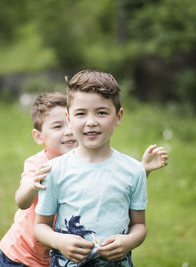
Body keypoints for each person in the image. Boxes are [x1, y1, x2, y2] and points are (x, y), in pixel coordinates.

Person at [0, 91, 168, 267]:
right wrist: (32, 185)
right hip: (24, 254)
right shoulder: (39, 164)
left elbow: (115, 189)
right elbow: (21, 202)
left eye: (69, 125)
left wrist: (143, 170)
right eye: (58, 127)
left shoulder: (87, 161)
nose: (68, 132)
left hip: (66, 255)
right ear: (38, 136)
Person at [34, 70, 160, 267]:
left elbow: (139, 225)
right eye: (81, 113)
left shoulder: (134, 171)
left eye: (101, 113)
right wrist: (60, 241)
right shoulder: (54, 170)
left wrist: (128, 242)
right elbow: (40, 226)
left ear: (118, 117)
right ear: (69, 118)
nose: (91, 121)